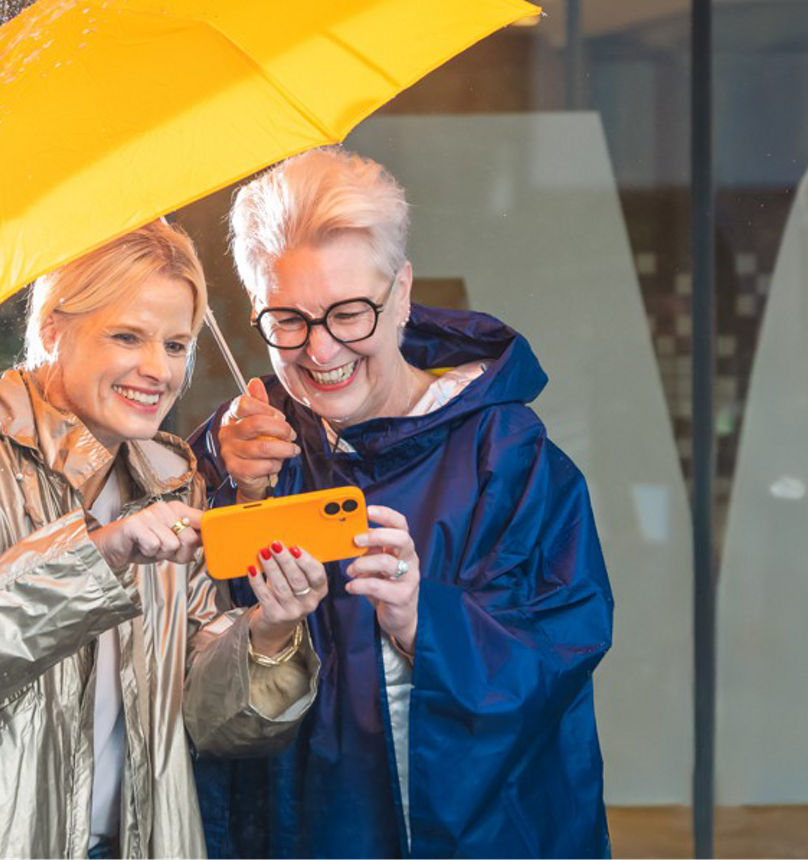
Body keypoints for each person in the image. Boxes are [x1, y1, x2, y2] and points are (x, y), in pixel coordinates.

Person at [0, 221, 329, 858]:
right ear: (54, 330)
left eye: (176, 344)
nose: (157, 370)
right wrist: (104, 551)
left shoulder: (171, 475)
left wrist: (270, 634)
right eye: (127, 336)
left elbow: (204, 715)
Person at [189, 148, 614, 858]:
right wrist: (236, 490)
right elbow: (195, 668)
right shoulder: (246, 445)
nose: (320, 351)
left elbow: (568, 640)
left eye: (349, 313)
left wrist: (426, 623)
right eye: (286, 319)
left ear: (404, 293)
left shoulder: (505, 452)